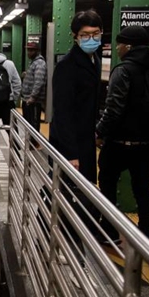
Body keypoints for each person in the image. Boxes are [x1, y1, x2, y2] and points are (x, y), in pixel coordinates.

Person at [96, 26, 149, 245]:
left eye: (119, 43)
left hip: (119, 142)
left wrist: (99, 131)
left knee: (107, 182)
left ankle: (110, 229)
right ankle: (147, 235)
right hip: (147, 142)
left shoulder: (123, 70)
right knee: (143, 188)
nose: (117, 48)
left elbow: (113, 109)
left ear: (128, 46)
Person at [49, 10, 104, 183]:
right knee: (68, 191)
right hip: (70, 144)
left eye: (96, 34)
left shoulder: (95, 59)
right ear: (75, 36)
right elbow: (62, 112)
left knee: (82, 190)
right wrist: (71, 154)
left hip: (86, 139)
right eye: (85, 35)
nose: (91, 39)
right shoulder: (67, 66)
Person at [21, 42, 47, 131]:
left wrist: (32, 97)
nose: (29, 52)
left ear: (37, 51)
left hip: (33, 101)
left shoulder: (39, 63)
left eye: (32, 50)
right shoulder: (33, 62)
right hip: (28, 99)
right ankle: (30, 142)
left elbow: (39, 81)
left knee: (33, 123)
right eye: (28, 50)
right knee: (28, 122)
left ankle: (33, 143)